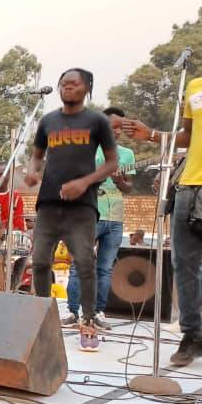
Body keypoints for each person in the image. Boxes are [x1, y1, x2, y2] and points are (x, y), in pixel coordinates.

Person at [122, 18, 202, 376]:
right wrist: (152, 136)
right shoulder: (195, 86)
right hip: (191, 185)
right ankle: (192, 337)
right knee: (184, 265)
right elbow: (188, 136)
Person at [23, 68, 118, 349]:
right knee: (40, 261)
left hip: (82, 207)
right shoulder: (48, 121)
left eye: (74, 83)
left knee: (85, 263)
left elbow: (111, 163)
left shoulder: (97, 120)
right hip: (49, 204)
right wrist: (31, 172)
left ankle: (87, 322)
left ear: (87, 88)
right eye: (63, 83)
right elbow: (36, 157)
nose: (67, 87)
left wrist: (84, 182)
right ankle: (43, 319)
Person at [63, 108, 135, 329]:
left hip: (115, 218)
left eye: (120, 128)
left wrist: (121, 180)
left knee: (105, 268)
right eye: (113, 127)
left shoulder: (127, 154)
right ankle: (73, 312)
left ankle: (98, 312)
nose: (117, 132)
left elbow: (128, 187)